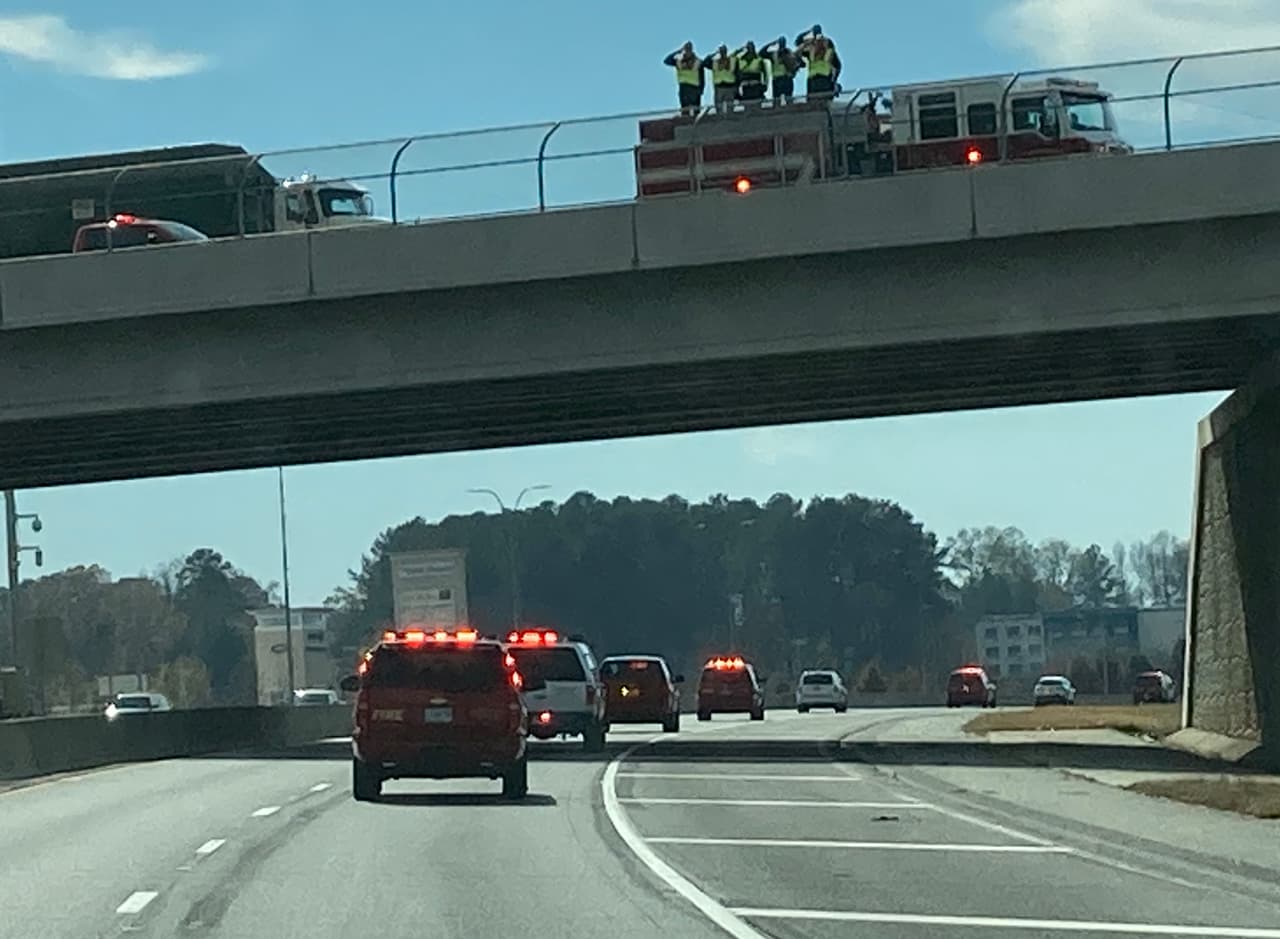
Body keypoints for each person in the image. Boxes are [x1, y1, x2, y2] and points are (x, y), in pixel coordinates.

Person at [795, 24, 842, 100]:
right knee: (823, 102)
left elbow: (798, 42)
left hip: (815, 80)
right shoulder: (827, 46)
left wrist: (809, 32)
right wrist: (834, 80)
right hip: (822, 79)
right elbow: (838, 65)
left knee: (814, 103)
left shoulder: (811, 47)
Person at [663, 42, 705, 115]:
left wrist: (701, 90)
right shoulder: (679, 60)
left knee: (695, 112)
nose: (687, 52)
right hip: (684, 88)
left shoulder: (698, 61)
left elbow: (702, 77)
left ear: (692, 50)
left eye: (689, 49)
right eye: (686, 49)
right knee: (685, 112)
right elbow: (666, 61)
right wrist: (679, 51)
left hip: (694, 89)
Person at [760, 37, 801, 104]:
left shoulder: (787, 53)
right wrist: (771, 43)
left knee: (787, 99)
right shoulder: (775, 54)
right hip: (778, 80)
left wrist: (771, 44)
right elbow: (761, 53)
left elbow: (796, 63)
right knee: (778, 101)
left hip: (785, 79)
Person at [701, 44, 739, 113]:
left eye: (724, 51)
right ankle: (720, 118)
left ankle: (730, 118)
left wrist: (736, 87)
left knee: (730, 108)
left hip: (730, 87)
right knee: (718, 108)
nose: (722, 52)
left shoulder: (732, 60)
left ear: (726, 51)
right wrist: (714, 53)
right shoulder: (715, 62)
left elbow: (737, 73)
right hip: (719, 87)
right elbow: (704, 63)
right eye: (721, 51)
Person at [734, 41, 767, 105]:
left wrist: (765, 84)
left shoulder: (759, 59)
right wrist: (739, 50)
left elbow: (765, 73)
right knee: (746, 104)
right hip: (745, 87)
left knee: (757, 104)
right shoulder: (740, 60)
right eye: (749, 48)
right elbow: (736, 74)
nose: (750, 49)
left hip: (756, 86)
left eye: (752, 47)